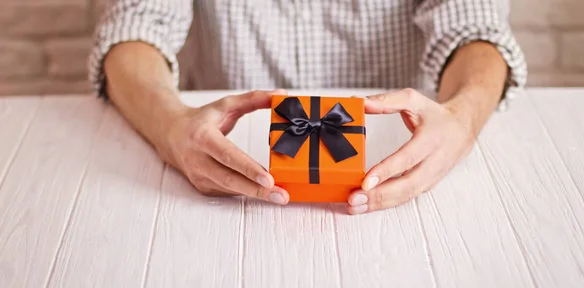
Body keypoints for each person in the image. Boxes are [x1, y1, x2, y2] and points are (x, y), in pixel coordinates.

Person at [89, 0, 526, 215]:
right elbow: (135, 24)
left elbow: (475, 24)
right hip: (225, 172)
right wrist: (169, 126)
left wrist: (462, 117)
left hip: (398, 159)